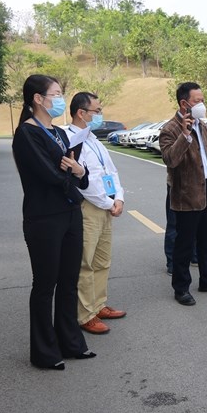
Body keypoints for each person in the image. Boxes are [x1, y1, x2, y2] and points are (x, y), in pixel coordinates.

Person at [12, 74, 95, 370]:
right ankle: (44, 352)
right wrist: (72, 173)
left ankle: (71, 343)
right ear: (38, 98)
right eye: (56, 94)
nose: (60, 99)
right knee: (45, 284)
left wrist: (77, 171)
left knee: (69, 282)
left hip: (70, 213)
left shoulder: (59, 133)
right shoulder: (26, 133)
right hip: (44, 218)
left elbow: (78, 171)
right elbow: (48, 175)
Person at [159, 82, 207, 306]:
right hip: (186, 194)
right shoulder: (170, 129)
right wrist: (185, 134)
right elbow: (170, 160)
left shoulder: (203, 126)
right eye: (197, 101)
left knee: (205, 240)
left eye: (202, 100)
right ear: (184, 103)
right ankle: (181, 288)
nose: (202, 104)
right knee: (184, 243)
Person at [67, 92, 126, 335]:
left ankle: (99, 304)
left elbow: (111, 172)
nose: (100, 115)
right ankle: (85, 314)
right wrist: (107, 202)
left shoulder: (93, 139)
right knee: (86, 263)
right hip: (90, 208)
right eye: (97, 111)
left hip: (107, 206)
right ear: (81, 113)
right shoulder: (71, 140)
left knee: (102, 261)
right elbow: (84, 182)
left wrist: (119, 197)